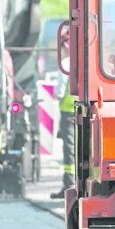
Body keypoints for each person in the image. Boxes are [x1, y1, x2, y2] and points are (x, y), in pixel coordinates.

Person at [50, 30, 77, 200]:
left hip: (68, 113)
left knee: (69, 151)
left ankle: (69, 186)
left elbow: (59, 92)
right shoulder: (87, 63)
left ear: (67, 44)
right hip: (85, 112)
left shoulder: (66, 64)